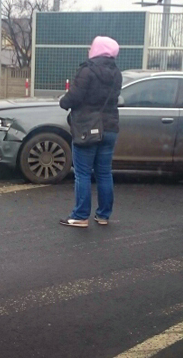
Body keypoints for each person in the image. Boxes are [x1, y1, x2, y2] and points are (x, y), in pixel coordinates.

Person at [59, 36, 123, 228]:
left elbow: (75, 96)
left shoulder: (87, 70)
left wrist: (63, 101)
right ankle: (103, 215)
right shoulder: (117, 73)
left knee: (83, 173)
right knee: (104, 173)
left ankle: (80, 216)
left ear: (97, 49)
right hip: (110, 127)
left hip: (87, 128)